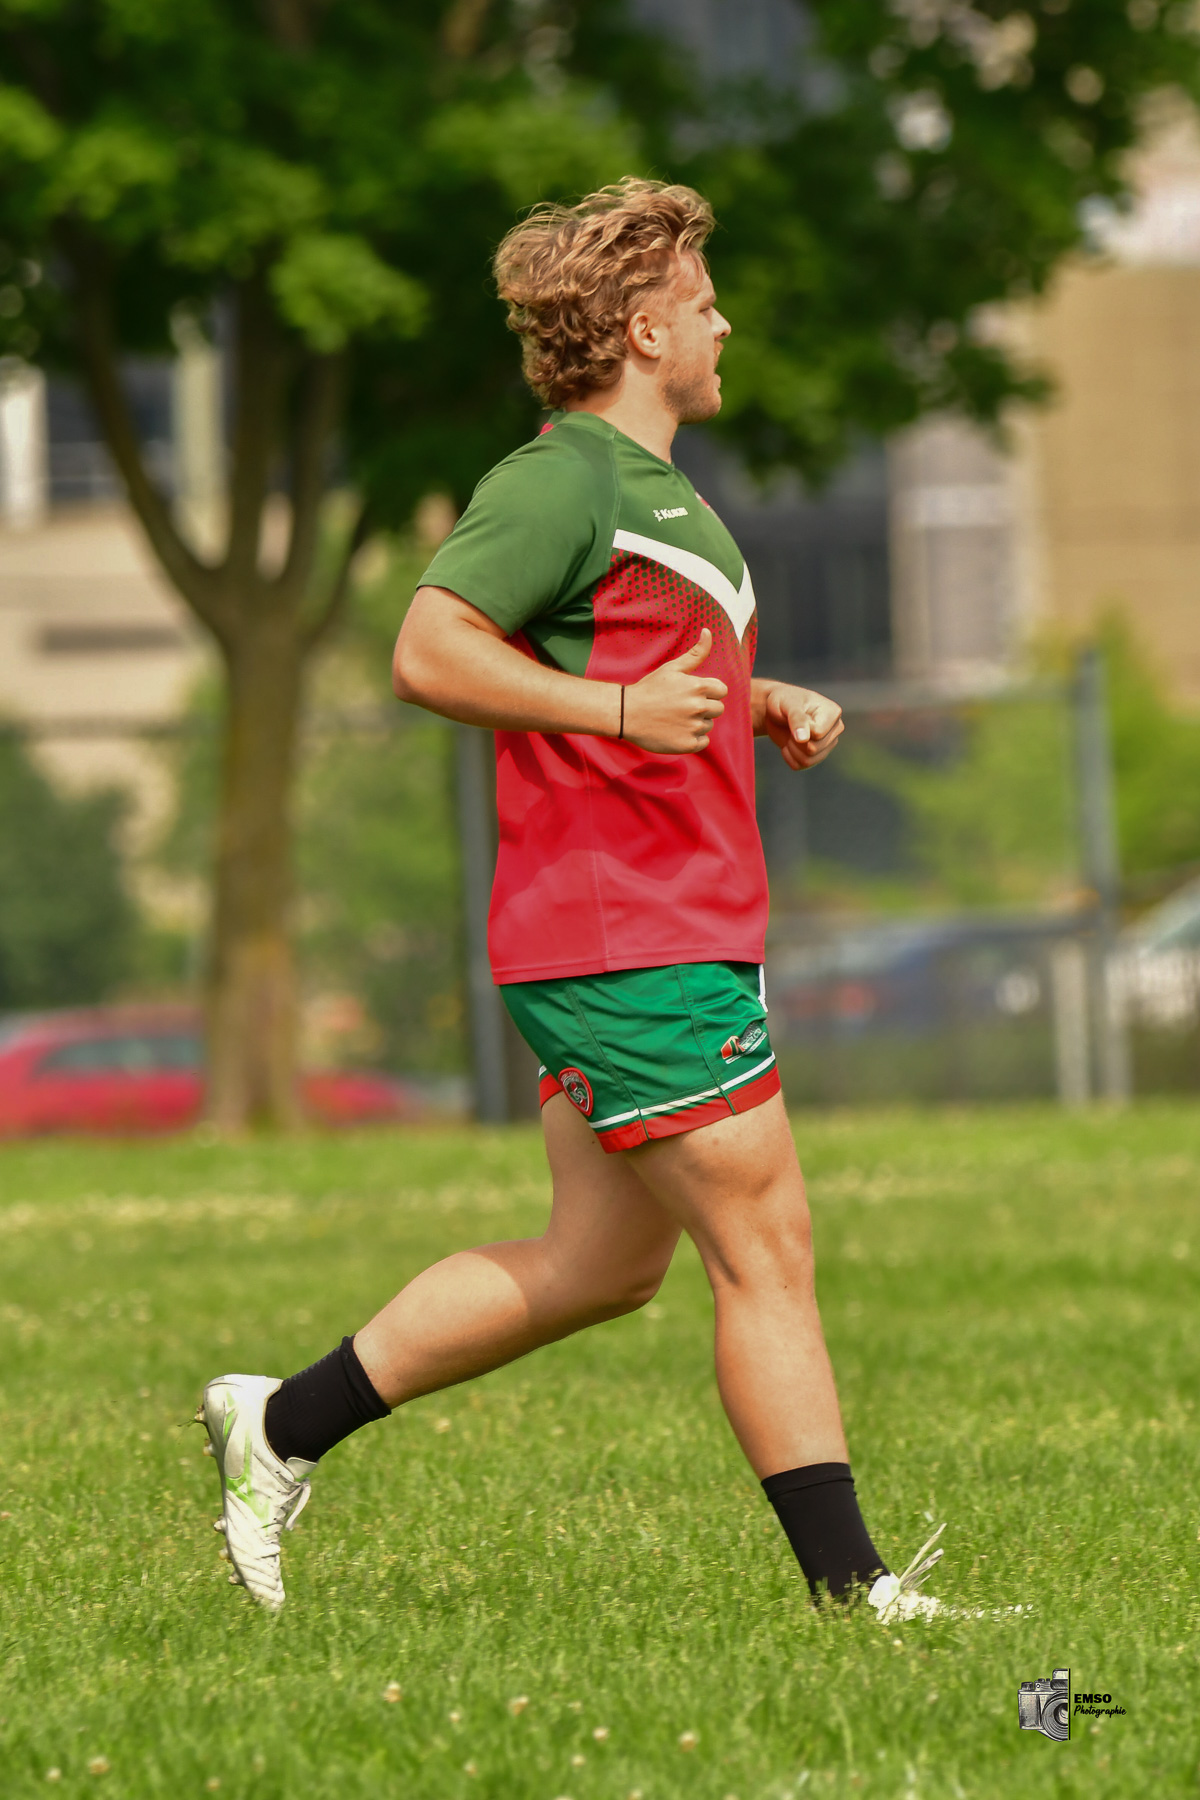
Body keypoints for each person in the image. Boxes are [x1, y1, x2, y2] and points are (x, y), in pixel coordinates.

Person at [197, 178, 944, 1622]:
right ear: (650, 329)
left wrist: (752, 701)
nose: (725, 323)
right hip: (629, 939)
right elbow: (428, 651)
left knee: (600, 1264)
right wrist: (609, 707)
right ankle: (854, 1596)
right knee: (767, 1246)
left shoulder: (655, 493)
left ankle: (278, 1423)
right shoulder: (562, 479)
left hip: (652, 926)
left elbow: (647, 671)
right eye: (707, 302)